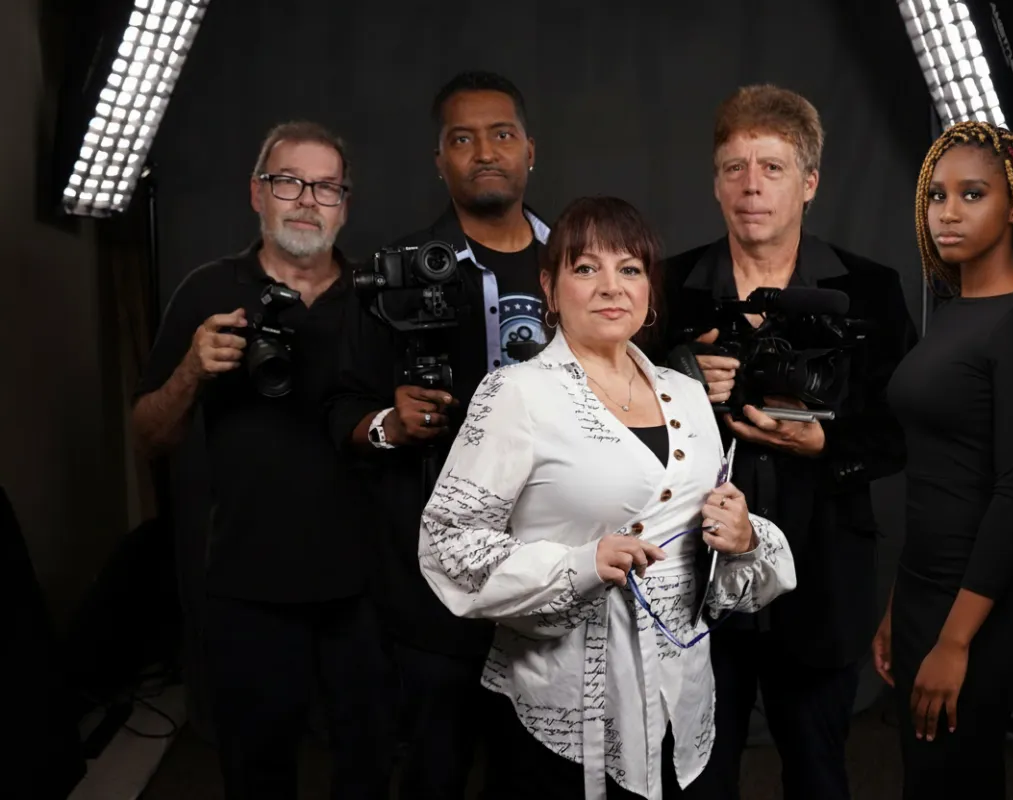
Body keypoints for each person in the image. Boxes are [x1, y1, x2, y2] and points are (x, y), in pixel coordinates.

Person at [418, 195, 797, 800]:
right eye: (584, 268)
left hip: (683, 702)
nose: (609, 287)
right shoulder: (515, 394)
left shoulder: (686, 391)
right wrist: (580, 565)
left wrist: (745, 537)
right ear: (550, 286)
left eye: (630, 269)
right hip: (564, 710)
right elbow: (448, 542)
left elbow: (717, 562)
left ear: (649, 289)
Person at [659, 84, 918, 799]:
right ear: (714, 184)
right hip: (693, 581)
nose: (751, 187)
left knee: (818, 775)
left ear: (809, 183)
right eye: (734, 167)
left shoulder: (869, 290)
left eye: (771, 168)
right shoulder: (665, 287)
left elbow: (902, 432)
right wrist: (675, 375)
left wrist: (821, 445)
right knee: (696, 779)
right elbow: (613, 418)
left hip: (821, 579)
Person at [130, 122, 392, 799]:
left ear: (345, 204)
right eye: (289, 181)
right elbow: (147, 437)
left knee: (368, 770)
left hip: (364, 581)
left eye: (327, 187)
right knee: (256, 774)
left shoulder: (376, 298)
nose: (308, 200)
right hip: (247, 581)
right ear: (257, 193)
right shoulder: (209, 289)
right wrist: (192, 368)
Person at [326, 71, 550, 799]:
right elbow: (340, 410)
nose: (484, 152)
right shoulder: (390, 275)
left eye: (501, 134)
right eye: (463, 138)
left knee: (541, 772)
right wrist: (392, 424)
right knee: (436, 766)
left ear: (529, 152)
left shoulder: (580, 262)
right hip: (435, 582)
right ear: (440, 161)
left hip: (552, 569)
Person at [876, 120, 1013, 798]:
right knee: (929, 775)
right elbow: (937, 476)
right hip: (928, 583)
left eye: (972, 195)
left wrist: (957, 640)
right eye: (938, 196)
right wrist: (898, 604)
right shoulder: (954, 308)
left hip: (990, 596)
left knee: (951, 775)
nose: (948, 213)